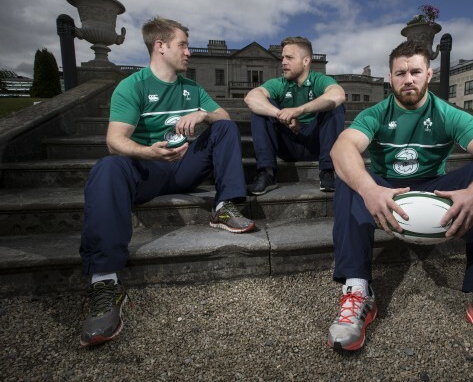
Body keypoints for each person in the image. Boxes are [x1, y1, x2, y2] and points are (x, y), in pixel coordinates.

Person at [326, 40, 473, 368]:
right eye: (401, 73)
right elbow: (342, 148)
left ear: (428, 74)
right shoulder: (376, 113)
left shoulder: (446, 113)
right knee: (349, 175)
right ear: (390, 78)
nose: (408, 79)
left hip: (431, 192)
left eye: (415, 71)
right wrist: (370, 189)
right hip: (386, 191)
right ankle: (358, 292)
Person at [79, 17, 255, 347]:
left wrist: (204, 114)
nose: (188, 52)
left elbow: (225, 118)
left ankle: (223, 207)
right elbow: (115, 140)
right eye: (183, 45)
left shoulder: (193, 88)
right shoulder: (133, 86)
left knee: (225, 127)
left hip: (186, 167)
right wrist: (147, 152)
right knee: (106, 168)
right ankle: (105, 281)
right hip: (147, 170)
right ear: (160, 46)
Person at [243, 36, 346, 194]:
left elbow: (338, 95)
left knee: (335, 107)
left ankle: (327, 171)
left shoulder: (318, 79)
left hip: (314, 143)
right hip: (286, 144)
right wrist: (280, 114)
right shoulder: (279, 83)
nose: (283, 62)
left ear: (306, 61)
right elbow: (251, 98)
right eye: (282, 57)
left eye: (289, 57)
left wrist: (299, 110)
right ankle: (267, 173)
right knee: (261, 108)